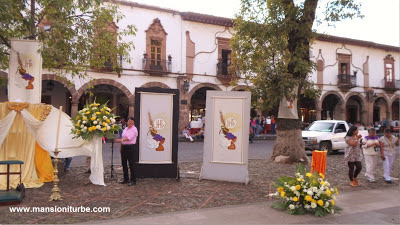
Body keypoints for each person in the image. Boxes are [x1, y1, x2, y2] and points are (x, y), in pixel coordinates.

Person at [114, 117, 138, 186]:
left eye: (131, 121)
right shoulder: (125, 129)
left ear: (134, 122)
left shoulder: (134, 129)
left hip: (130, 147)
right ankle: (126, 178)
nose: (130, 122)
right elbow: (123, 137)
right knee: (124, 164)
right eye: (129, 121)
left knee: (131, 164)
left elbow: (129, 138)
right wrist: (121, 146)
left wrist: (120, 141)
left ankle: (133, 180)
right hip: (124, 147)